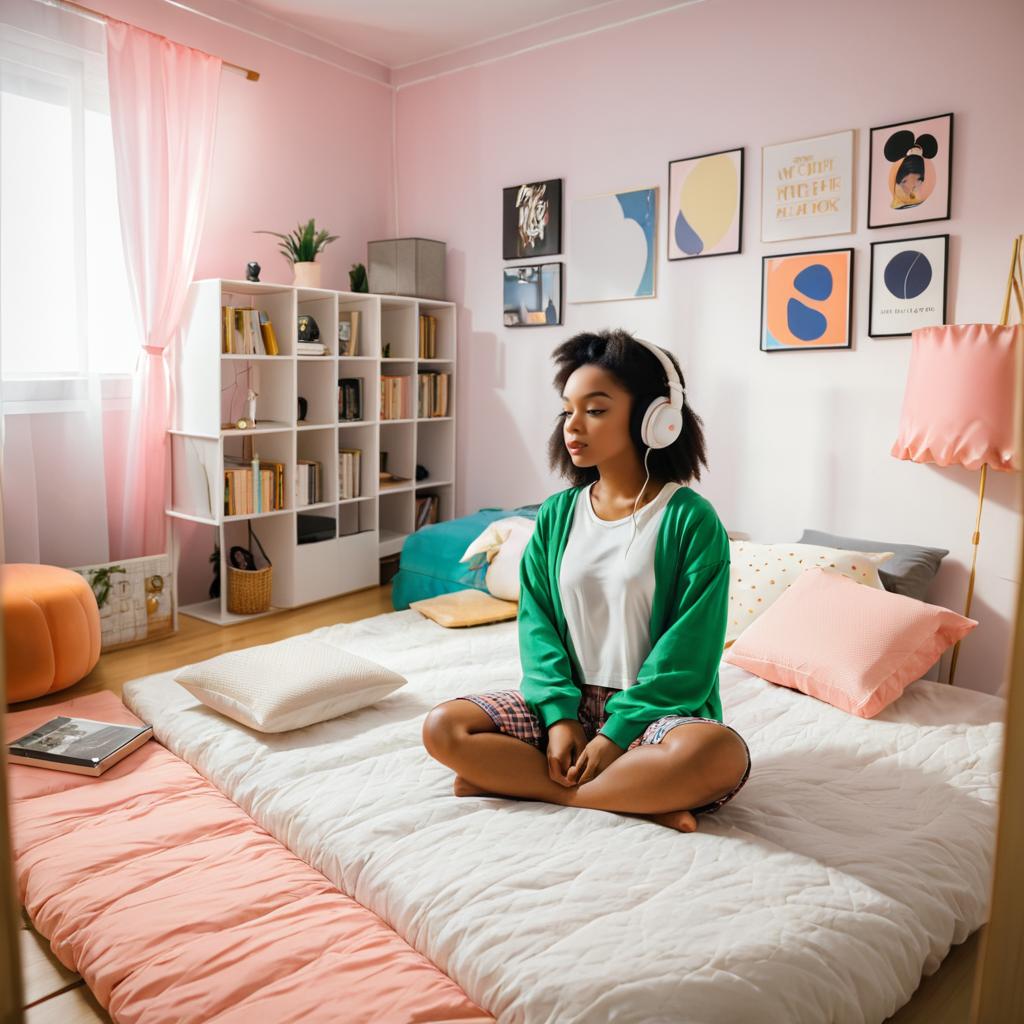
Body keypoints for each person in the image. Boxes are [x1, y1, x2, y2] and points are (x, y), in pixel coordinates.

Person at [421, 328, 751, 833]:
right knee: (444, 727)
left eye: (595, 410)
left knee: (717, 753)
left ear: (655, 419)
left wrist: (615, 735)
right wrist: (559, 718)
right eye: (567, 410)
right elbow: (539, 626)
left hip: (651, 717)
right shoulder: (556, 515)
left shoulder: (691, 520)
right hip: (563, 705)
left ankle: (526, 784)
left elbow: (688, 656)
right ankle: (636, 797)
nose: (573, 427)